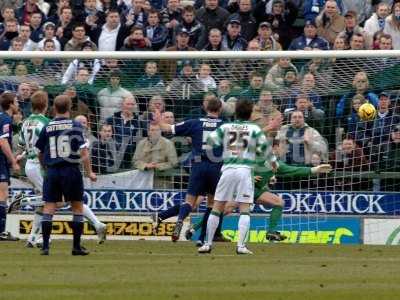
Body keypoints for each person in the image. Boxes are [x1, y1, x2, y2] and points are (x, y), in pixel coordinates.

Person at [198, 99, 276, 255]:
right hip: (245, 170)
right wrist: (273, 163)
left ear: (235, 112)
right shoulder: (254, 128)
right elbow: (265, 150)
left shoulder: (226, 126)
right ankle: (241, 246)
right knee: (244, 208)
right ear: (250, 114)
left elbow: (210, 141)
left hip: (227, 169)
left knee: (217, 206)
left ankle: (207, 244)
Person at [152, 94, 225, 242]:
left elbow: (167, 128)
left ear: (205, 108)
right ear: (221, 109)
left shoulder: (195, 122)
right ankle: (203, 239)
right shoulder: (225, 125)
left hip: (198, 165)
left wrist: (159, 120)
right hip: (216, 167)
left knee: (189, 201)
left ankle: (179, 221)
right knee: (212, 204)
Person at [35, 95, 97, 255]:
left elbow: (40, 153)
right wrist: (89, 171)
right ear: (69, 108)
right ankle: (76, 247)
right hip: (71, 170)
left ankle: (45, 247)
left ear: (54, 108)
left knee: (49, 206)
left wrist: (44, 168)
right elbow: (84, 151)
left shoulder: (47, 127)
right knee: (77, 206)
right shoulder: (75, 125)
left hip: (53, 171)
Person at [0, 92, 20, 241]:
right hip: (0, 161)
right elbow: (3, 142)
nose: (18, 104)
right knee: (2, 195)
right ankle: (1, 231)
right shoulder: (5, 119)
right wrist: (13, 161)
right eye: (17, 102)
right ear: (11, 104)